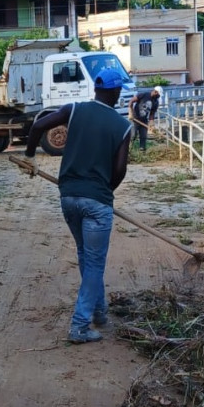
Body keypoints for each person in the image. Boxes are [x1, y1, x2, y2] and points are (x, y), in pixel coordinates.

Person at [24, 69, 132, 344]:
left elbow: (37, 126)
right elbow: (120, 169)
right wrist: (106, 191)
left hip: (68, 198)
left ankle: (100, 312)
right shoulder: (122, 126)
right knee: (94, 262)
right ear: (117, 92)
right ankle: (80, 326)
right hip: (97, 202)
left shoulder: (74, 110)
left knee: (87, 256)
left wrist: (29, 158)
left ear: (96, 90)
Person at [129, 86, 162, 151]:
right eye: (158, 95)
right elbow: (131, 102)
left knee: (143, 136)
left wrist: (152, 124)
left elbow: (152, 114)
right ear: (155, 92)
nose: (159, 97)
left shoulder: (156, 102)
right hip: (135, 119)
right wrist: (130, 112)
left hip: (144, 120)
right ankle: (129, 150)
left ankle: (142, 151)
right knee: (133, 135)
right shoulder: (143, 95)